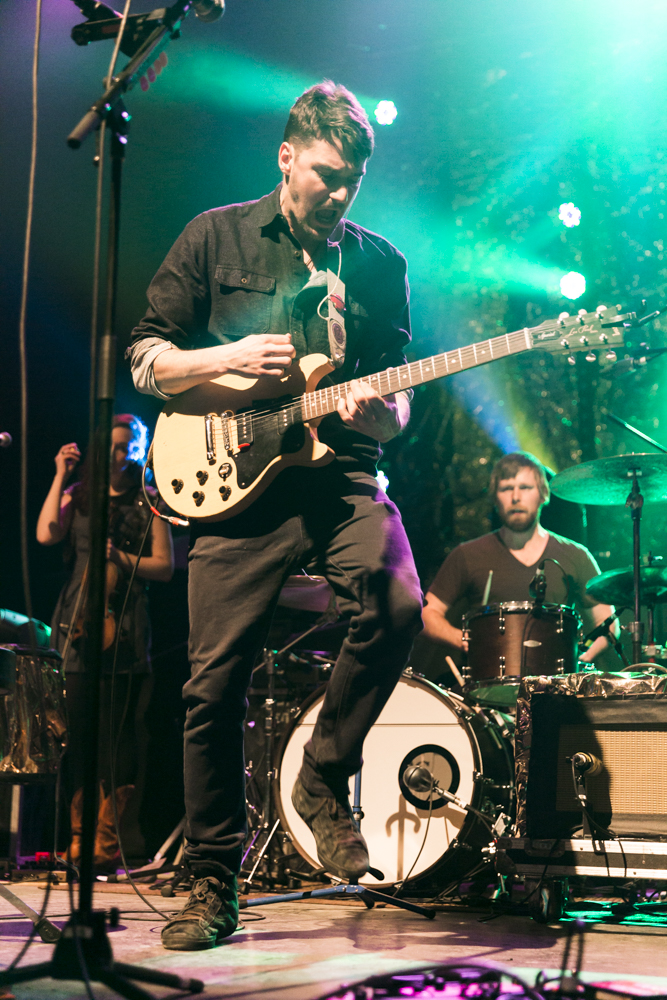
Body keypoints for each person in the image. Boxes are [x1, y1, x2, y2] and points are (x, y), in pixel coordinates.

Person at [128, 81, 423, 949]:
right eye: (325, 175)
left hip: (338, 475)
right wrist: (219, 355)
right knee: (210, 684)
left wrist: (382, 414)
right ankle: (211, 879)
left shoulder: (380, 265)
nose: (337, 195)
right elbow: (146, 357)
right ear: (287, 156)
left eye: (353, 183)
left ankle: (322, 779)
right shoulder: (213, 235)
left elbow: (396, 403)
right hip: (234, 480)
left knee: (395, 601)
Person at [36, 414, 174, 869]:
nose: (121, 455)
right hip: (78, 622)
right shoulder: (81, 496)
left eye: (130, 447)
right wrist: (61, 475)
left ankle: (107, 843)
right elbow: (45, 534)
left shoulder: (151, 499)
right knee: (77, 733)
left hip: (126, 624)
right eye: (114, 447)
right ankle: (79, 836)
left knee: (120, 739)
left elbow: (165, 566)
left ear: (141, 449)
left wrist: (120, 557)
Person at [422, 451, 617, 666]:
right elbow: (428, 613)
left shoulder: (576, 555)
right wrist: (465, 640)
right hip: (484, 689)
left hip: (556, 691)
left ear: (543, 494)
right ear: (495, 498)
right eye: (506, 488)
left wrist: (583, 657)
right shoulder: (467, 555)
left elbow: (607, 622)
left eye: (525, 488)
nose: (516, 497)